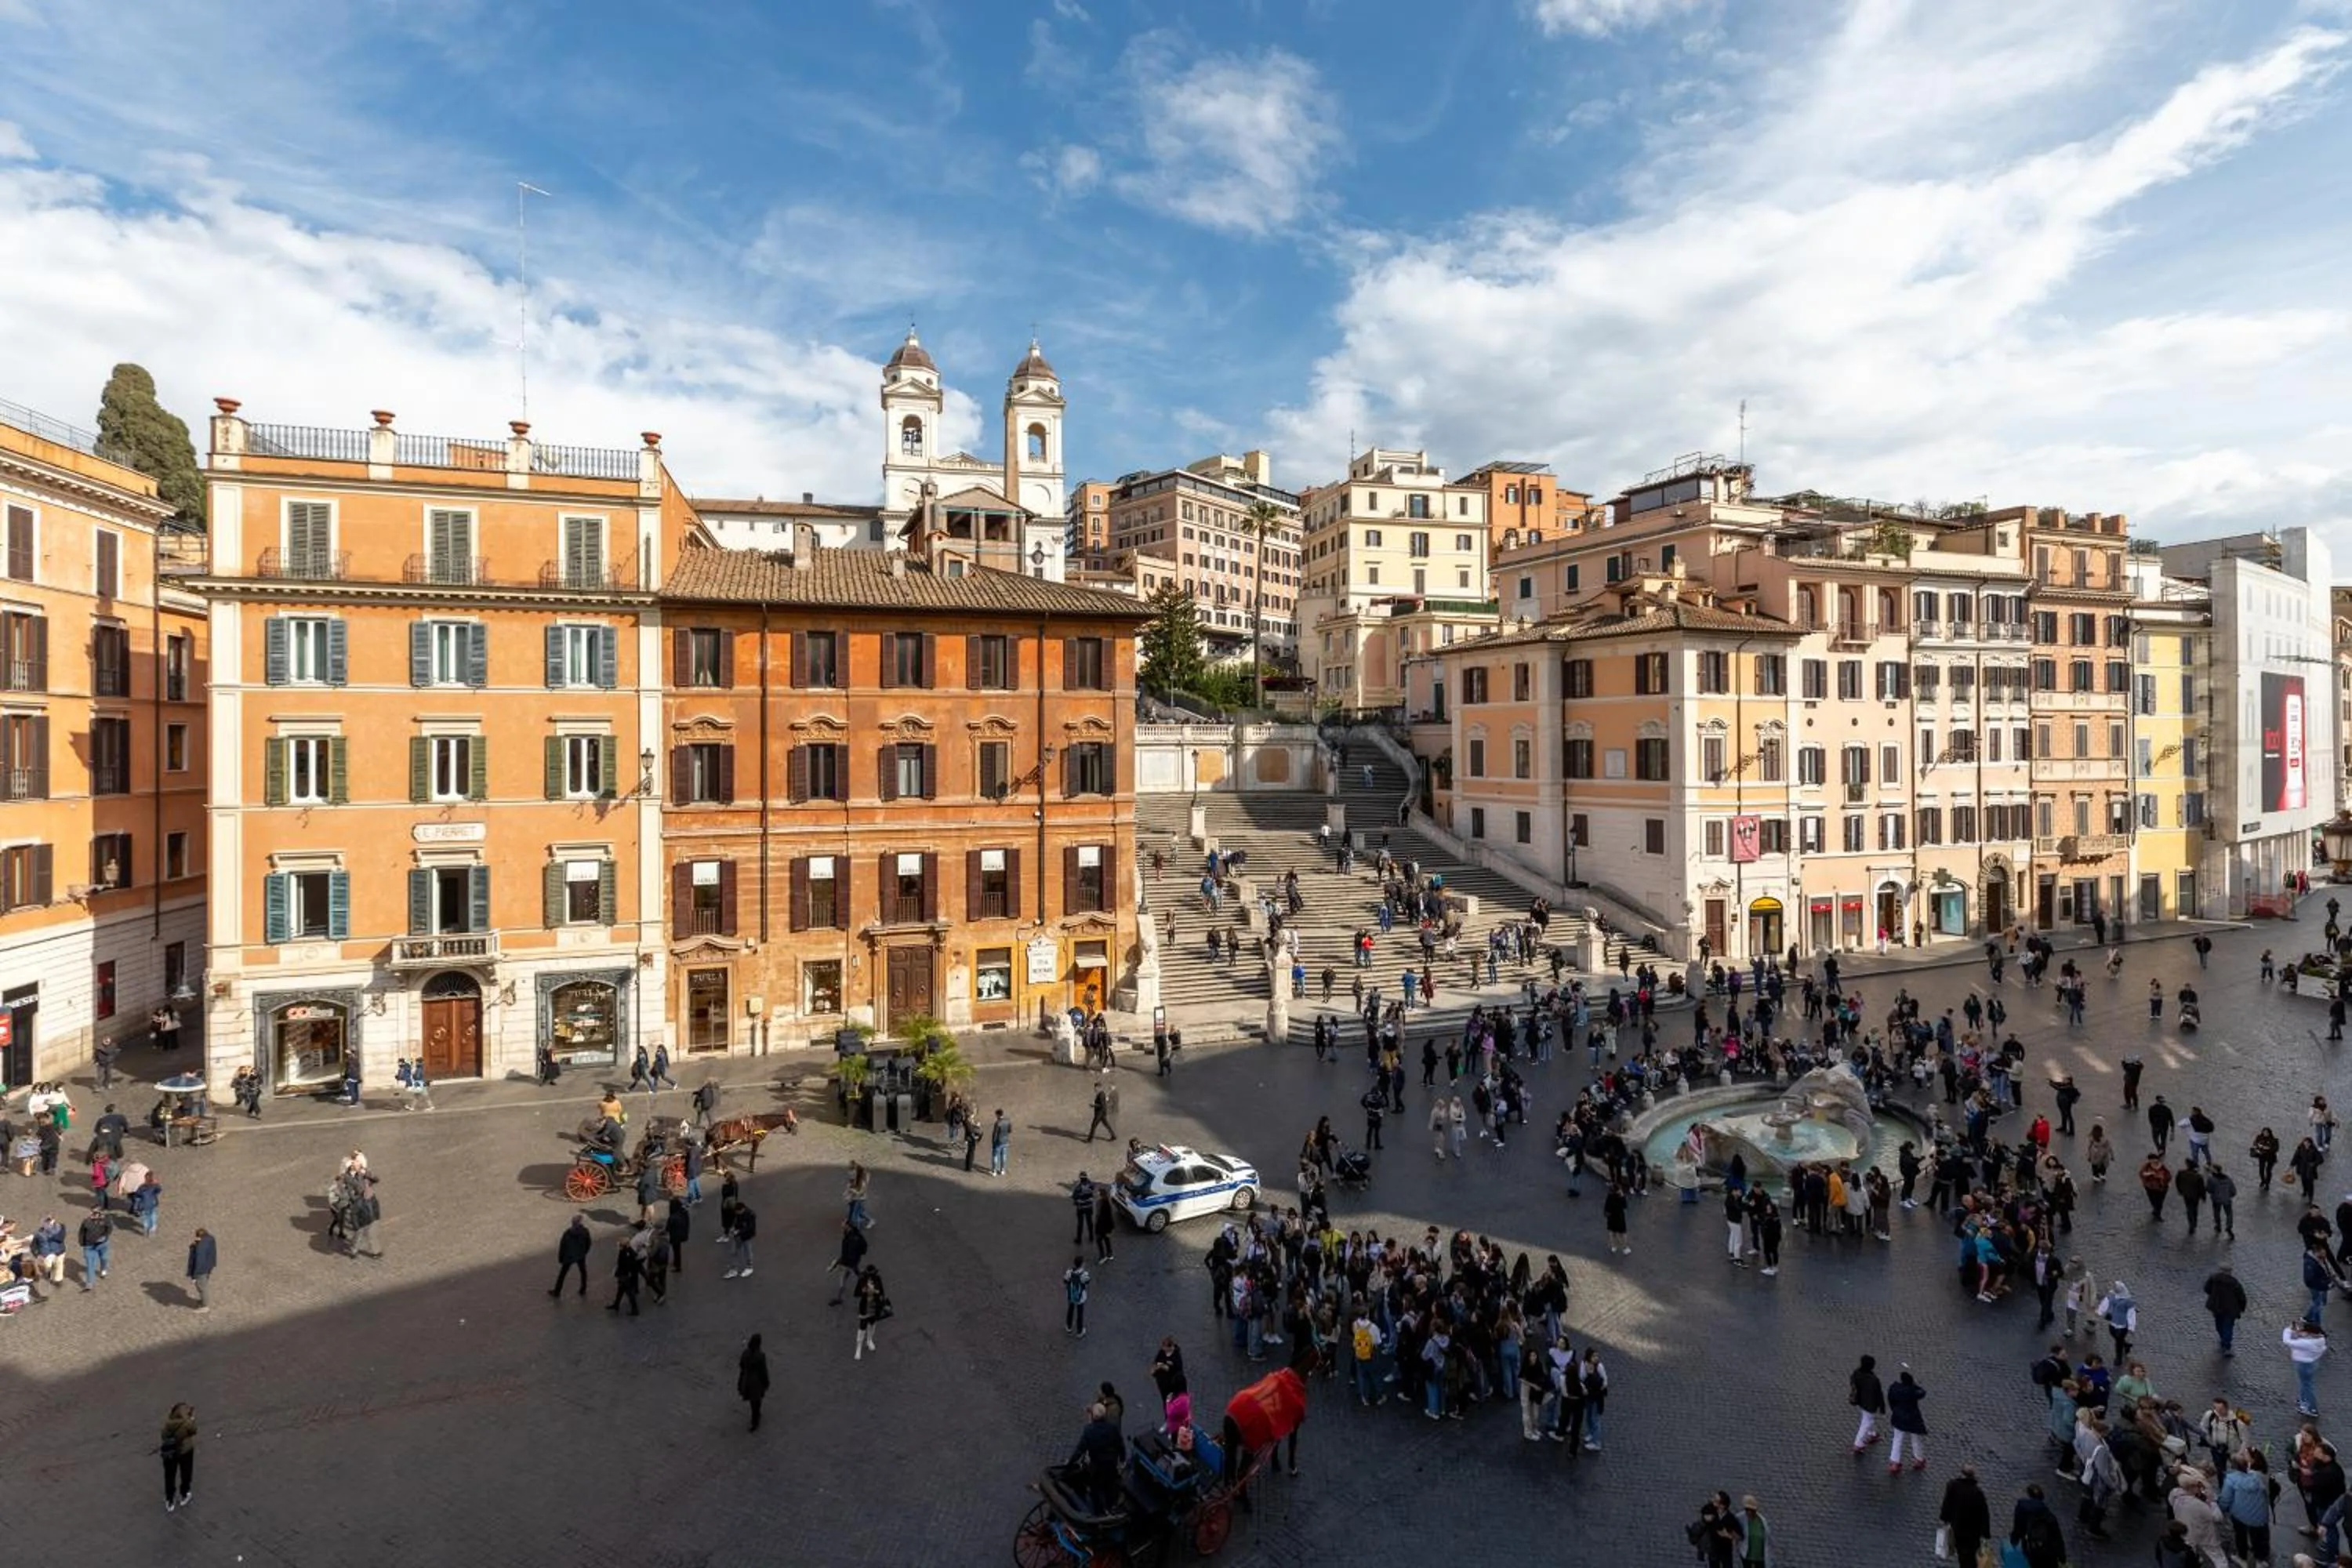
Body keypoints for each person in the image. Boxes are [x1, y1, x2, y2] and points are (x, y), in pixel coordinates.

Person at [1939, 1465, 1991, 1563]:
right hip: (1973, 1531)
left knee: (1962, 1553)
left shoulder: (1953, 1486)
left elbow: (1947, 1504)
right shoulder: (1977, 1493)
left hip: (1957, 1527)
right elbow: (1984, 1514)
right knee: (1971, 1554)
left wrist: (1945, 1519)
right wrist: (1986, 1533)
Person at [1886, 1367, 1928, 1473]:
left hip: (1898, 1417)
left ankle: (1895, 1463)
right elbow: (1922, 1392)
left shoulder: (1894, 1388)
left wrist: (1895, 1410)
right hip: (1912, 1418)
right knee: (1916, 1439)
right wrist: (1914, 1385)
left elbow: (1891, 1400)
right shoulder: (1912, 1392)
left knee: (1897, 1439)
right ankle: (1919, 1459)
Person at [159, 1402, 197, 1514]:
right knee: (186, 1472)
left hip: (171, 1452)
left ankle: (169, 1499)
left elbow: (163, 1436)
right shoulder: (187, 1423)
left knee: (170, 1475)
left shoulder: (168, 1424)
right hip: (185, 1451)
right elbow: (194, 1430)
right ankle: (185, 1493)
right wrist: (192, 1419)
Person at [2287, 1318, 2328, 1417]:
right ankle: (2304, 1401)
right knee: (2306, 1384)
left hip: (2304, 1365)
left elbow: (2288, 1341)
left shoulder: (2308, 1343)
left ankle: (2310, 1408)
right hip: (2312, 1364)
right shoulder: (2320, 1339)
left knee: (2306, 1386)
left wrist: (2288, 1330)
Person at [2205, 1264, 2248, 1355]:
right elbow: (2241, 1297)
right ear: (2229, 1272)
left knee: (2219, 1325)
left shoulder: (2213, 1279)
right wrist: (2242, 1308)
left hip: (2217, 1307)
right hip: (2230, 1309)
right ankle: (2227, 1345)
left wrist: (2213, 1296)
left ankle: (2224, 1340)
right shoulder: (2234, 1283)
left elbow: (2207, 1289)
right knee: (2228, 1327)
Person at [826, 1218, 869, 1305]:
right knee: (857, 1274)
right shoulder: (855, 1235)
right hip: (854, 1261)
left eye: (843, 1223)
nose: (842, 1225)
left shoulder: (851, 1238)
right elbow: (864, 1248)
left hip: (848, 1263)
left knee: (842, 1280)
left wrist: (838, 1262)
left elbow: (848, 1254)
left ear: (848, 1226)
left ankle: (839, 1298)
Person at [550, 1214, 592, 1298]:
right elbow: (588, 1243)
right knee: (583, 1272)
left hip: (569, 1256)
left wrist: (561, 1258)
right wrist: (584, 1252)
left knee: (563, 1274)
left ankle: (557, 1291)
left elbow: (562, 1247)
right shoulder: (585, 1231)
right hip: (580, 1255)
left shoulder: (568, 1233)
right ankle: (583, 1289)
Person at [854, 1265, 887, 1360]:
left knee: (872, 1324)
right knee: (862, 1327)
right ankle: (858, 1348)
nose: (871, 1277)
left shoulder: (878, 1279)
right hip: (865, 1307)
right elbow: (856, 1293)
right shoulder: (862, 1280)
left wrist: (876, 1291)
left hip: (875, 1306)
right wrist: (864, 1291)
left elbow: (882, 1292)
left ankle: (869, 1341)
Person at [738, 1334, 770, 1432]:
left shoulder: (746, 1353)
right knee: (757, 1400)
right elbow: (763, 1371)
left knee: (752, 1401)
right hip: (757, 1382)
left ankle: (755, 1418)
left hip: (747, 1380)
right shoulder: (761, 1356)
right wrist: (766, 1382)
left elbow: (741, 1365)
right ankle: (755, 1420)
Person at [607, 1229, 644, 1316]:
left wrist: (621, 1273)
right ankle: (616, 1304)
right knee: (620, 1290)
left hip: (624, 1275)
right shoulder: (629, 1250)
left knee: (629, 1292)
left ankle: (635, 1310)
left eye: (619, 1244)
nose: (618, 1245)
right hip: (625, 1275)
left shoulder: (624, 1253)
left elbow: (625, 1265)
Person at [185, 1227, 216, 1312]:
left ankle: (205, 1306)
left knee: (202, 1287)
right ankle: (203, 1301)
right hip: (207, 1267)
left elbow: (199, 1260)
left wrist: (194, 1275)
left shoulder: (200, 1246)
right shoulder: (210, 1240)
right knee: (203, 1285)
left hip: (201, 1270)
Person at [724, 1202, 757, 1279]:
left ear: (742, 1209)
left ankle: (749, 1267)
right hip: (738, 1236)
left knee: (747, 1251)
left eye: (738, 1212)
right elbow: (736, 1222)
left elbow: (750, 1228)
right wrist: (734, 1229)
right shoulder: (738, 1214)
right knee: (734, 1252)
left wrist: (739, 1231)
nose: (737, 1214)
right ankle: (734, 1269)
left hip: (746, 1236)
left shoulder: (750, 1215)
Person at [1064, 1254, 1092, 1338]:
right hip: (1080, 1297)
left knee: (1070, 1310)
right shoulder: (1084, 1274)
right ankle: (1079, 1331)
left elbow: (1065, 1280)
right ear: (1082, 1264)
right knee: (1080, 1313)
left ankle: (1069, 1326)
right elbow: (1087, 1281)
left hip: (1071, 1295)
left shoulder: (1069, 1272)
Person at [1085, 1080, 1114, 1144]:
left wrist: (1093, 1105)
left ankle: (1089, 1140)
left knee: (1093, 1126)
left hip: (1099, 1113)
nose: (1094, 1089)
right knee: (1106, 1125)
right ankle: (1113, 1136)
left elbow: (1102, 1105)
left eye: (1095, 1088)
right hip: (1102, 1113)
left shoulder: (1101, 1095)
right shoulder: (1102, 1094)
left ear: (1099, 1088)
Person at [990, 1109, 1011, 1177]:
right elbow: (1010, 1130)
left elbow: (995, 1134)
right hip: (1005, 1141)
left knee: (995, 1156)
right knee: (1004, 1155)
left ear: (998, 1115)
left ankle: (994, 1171)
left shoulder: (997, 1123)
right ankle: (1002, 1170)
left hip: (998, 1141)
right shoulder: (1008, 1121)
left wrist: (993, 1142)